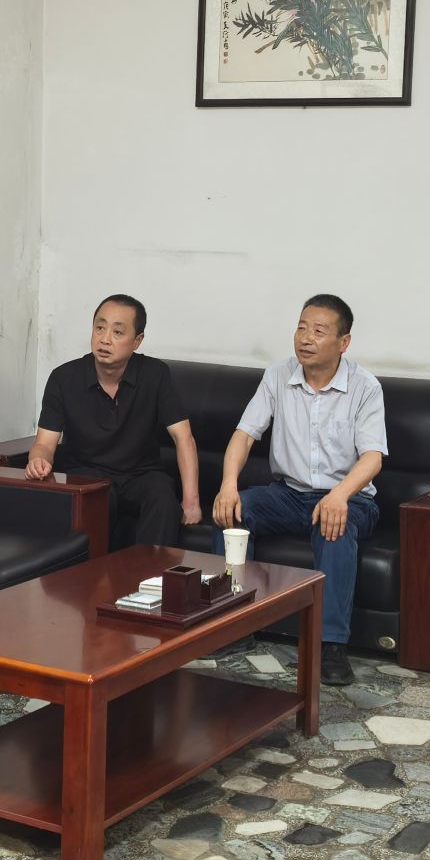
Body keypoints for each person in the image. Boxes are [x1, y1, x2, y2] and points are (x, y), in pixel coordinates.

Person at [212, 295, 386, 688]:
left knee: (333, 527)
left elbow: (372, 458)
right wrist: (228, 485)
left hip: (350, 497)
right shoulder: (278, 376)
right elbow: (244, 435)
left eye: (319, 331)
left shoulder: (364, 387)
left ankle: (331, 645)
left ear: (343, 342)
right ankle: (232, 623)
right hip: (288, 495)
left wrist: (339, 495)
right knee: (232, 514)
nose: (306, 338)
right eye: (301, 327)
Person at [24, 294, 200, 548]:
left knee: (162, 496)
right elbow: (44, 444)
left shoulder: (155, 374)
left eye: (117, 332)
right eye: (100, 328)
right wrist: (38, 460)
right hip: (87, 473)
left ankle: (151, 573)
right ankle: (93, 573)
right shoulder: (64, 378)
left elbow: (183, 438)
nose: (105, 339)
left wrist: (191, 502)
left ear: (137, 341)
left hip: (141, 475)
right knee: (98, 497)